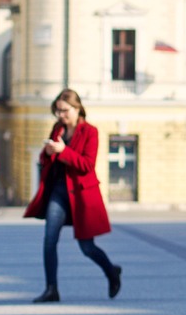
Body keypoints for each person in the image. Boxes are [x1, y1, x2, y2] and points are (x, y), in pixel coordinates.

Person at [24, 89, 120, 303]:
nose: (61, 115)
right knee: (49, 240)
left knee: (87, 247)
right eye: (57, 111)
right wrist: (48, 152)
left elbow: (87, 164)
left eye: (65, 111)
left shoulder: (90, 132)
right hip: (58, 192)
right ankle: (51, 289)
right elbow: (46, 158)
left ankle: (111, 272)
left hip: (81, 195)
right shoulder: (58, 128)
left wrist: (63, 151)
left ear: (77, 109)